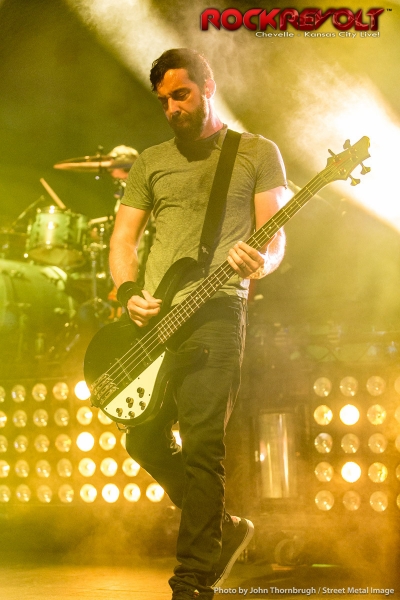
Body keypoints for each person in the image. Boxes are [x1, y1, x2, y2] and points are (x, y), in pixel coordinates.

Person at [109, 48, 287, 600]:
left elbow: (275, 236)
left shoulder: (256, 152)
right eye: (163, 101)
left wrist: (261, 262)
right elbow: (123, 239)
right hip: (157, 321)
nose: (172, 109)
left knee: (203, 443)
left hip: (217, 313)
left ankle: (191, 582)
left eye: (181, 95)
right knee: (143, 438)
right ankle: (223, 530)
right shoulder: (151, 161)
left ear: (207, 87)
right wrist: (129, 292)